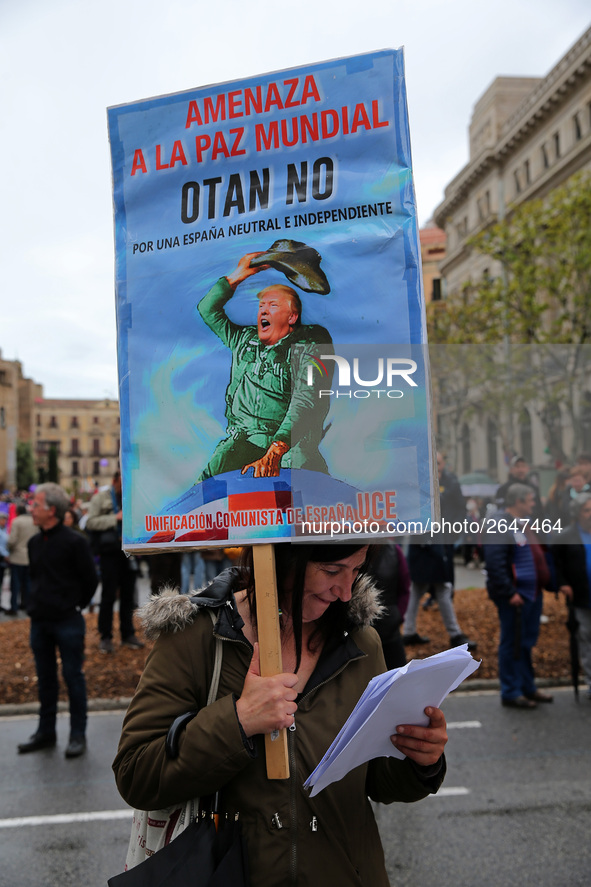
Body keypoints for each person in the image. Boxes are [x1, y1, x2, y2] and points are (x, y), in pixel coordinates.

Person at [113, 543, 448, 887]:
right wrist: (238, 721)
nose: (345, 592)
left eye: (356, 570)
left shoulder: (361, 643)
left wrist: (419, 759)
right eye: (332, 571)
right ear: (285, 557)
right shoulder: (195, 637)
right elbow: (136, 773)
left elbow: (377, 780)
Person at [197, 252, 333, 480]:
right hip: (246, 441)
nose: (263, 310)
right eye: (261, 305)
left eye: (273, 305)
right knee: (207, 485)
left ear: (292, 317)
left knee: (303, 489)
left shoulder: (312, 344)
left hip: (289, 445)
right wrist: (238, 275)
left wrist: (276, 451)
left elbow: (306, 399)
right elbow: (208, 310)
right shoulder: (243, 340)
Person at [17, 483, 98, 757]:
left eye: (36, 505)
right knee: (46, 679)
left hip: (67, 621)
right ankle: (45, 732)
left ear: (51, 510)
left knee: (73, 677)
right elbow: (34, 578)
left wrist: (75, 605)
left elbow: (91, 579)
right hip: (40, 622)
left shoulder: (75, 542)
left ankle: (78, 735)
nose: (32, 509)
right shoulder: (34, 542)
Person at [484, 483, 553, 709]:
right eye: (531, 500)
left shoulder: (524, 524)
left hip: (531, 594)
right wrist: (509, 592)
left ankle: (527, 687)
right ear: (519, 501)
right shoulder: (499, 524)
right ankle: (511, 691)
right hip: (515, 596)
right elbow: (495, 563)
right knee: (512, 643)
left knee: (525, 643)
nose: (534, 503)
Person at [86, 471, 143, 654]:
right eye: (122, 482)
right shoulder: (101, 497)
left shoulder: (132, 497)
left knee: (128, 595)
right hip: (109, 552)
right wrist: (114, 519)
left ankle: (128, 634)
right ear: (114, 481)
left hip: (128, 553)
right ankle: (106, 636)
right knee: (108, 595)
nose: (124, 486)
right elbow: (91, 522)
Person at [402, 542, 477, 651]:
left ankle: (408, 632)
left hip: (425, 553)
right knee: (442, 591)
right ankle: (455, 634)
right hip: (430, 553)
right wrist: (439, 553)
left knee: (417, 591)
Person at [552, 492, 591, 700]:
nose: (590, 514)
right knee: (586, 639)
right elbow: (555, 565)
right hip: (582, 599)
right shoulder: (566, 537)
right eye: (586, 510)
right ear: (578, 513)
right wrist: (563, 584)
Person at [366, 540, 410, 669]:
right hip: (359, 631)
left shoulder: (394, 551)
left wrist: (398, 614)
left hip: (390, 628)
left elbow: (405, 587)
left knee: (397, 678)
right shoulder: (354, 549)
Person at [7, 501, 38, 614]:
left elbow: (12, 540)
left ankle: (14, 606)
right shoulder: (33, 521)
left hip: (17, 556)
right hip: (29, 556)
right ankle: (26, 604)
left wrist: (9, 549)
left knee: (15, 584)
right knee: (28, 583)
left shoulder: (17, 521)